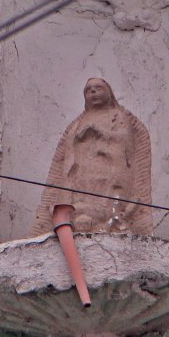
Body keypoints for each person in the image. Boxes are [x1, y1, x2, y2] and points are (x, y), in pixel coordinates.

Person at [31, 78, 153, 237]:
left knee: (108, 196)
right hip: (83, 171)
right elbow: (68, 149)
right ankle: (77, 218)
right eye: (88, 90)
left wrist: (99, 132)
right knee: (81, 193)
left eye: (98, 88)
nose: (93, 91)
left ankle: (112, 218)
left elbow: (125, 141)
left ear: (109, 92)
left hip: (109, 169)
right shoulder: (79, 121)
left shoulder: (119, 116)